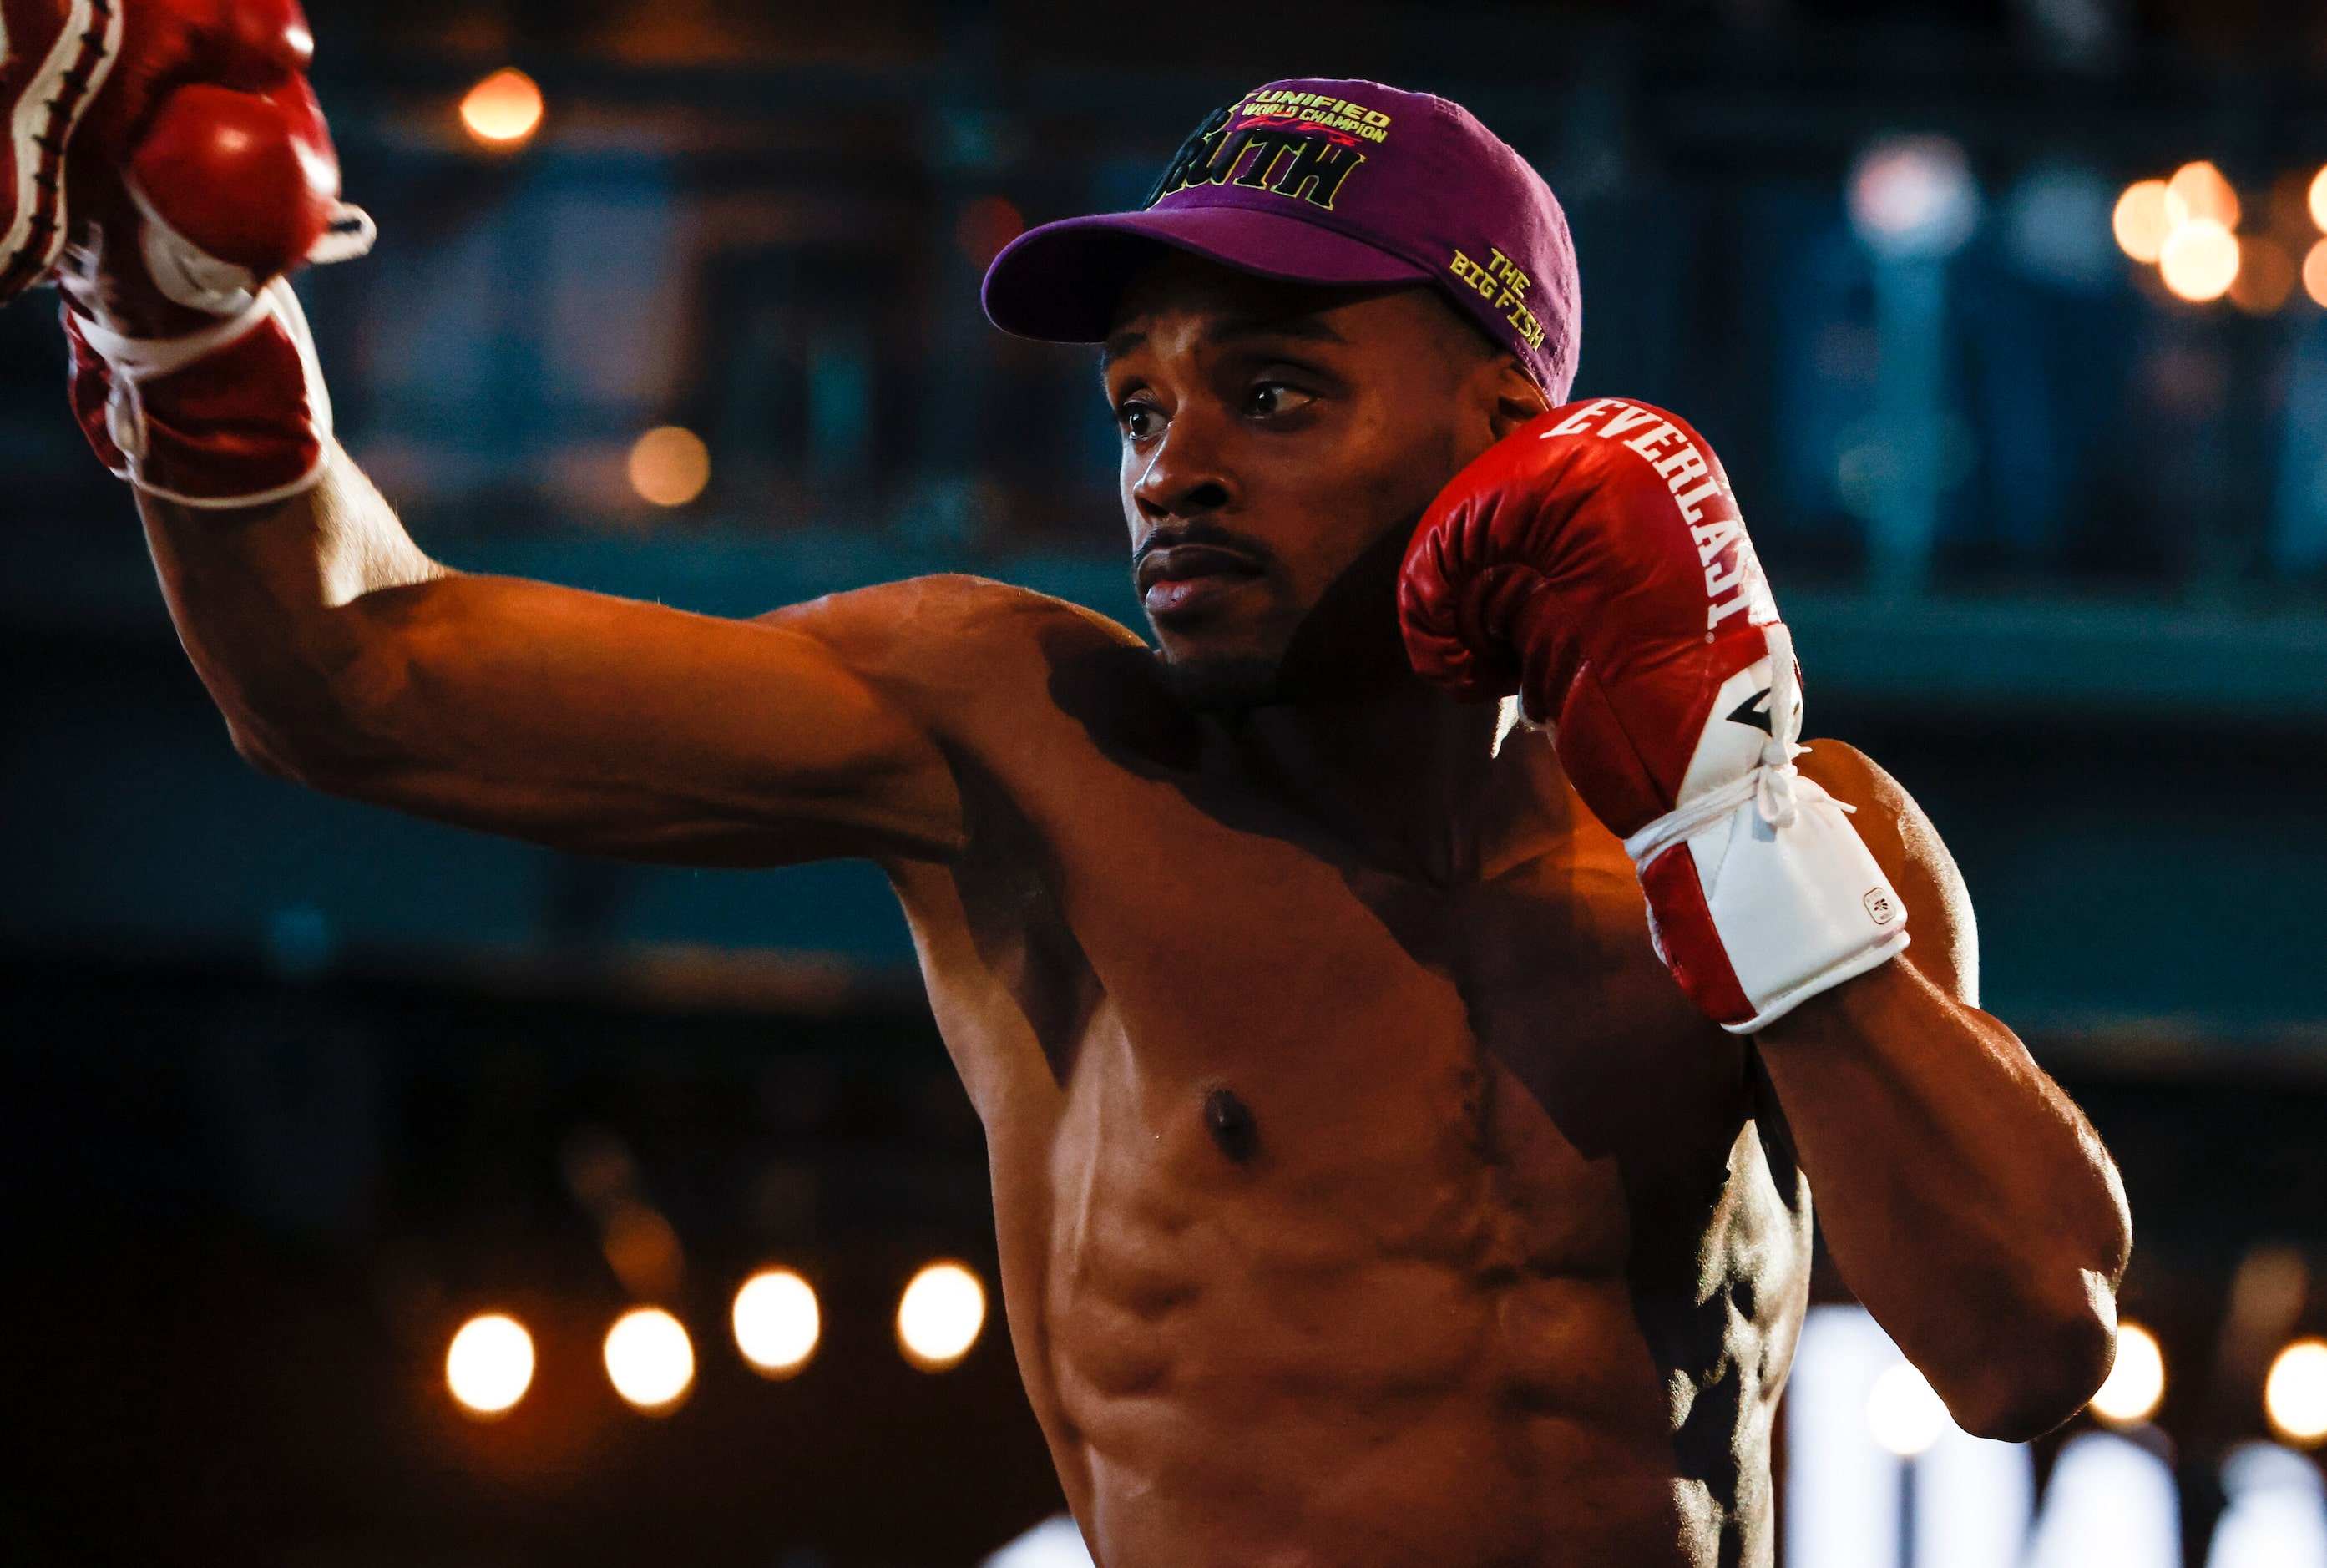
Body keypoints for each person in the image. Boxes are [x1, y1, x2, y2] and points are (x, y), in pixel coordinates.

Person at [12, 8, 2130, 1560]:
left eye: (1272, 391)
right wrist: (192, 323)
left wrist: (1720, 811)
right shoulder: (1025, 739)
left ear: (1507, 427)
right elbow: (359, 678)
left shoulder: (1804, 831)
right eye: (1136, 404)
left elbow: (2023, 1344)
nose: (1170, 464)